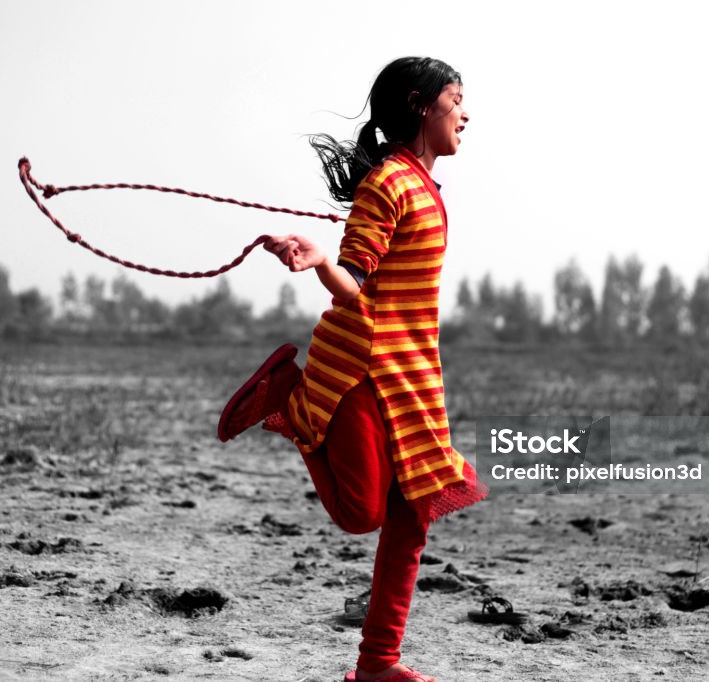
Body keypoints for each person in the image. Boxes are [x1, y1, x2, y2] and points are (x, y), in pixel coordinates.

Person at [217, 56, 487, 682]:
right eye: (457, 100)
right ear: (423, 105)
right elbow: (353, 283)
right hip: (365, 365)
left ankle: (377, 666)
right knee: (361, 513)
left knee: (412, 513)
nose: (467, 114)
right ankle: (286, 395)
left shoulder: (422, 185)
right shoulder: (388, 183)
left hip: (414, 370)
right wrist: (318, 261)